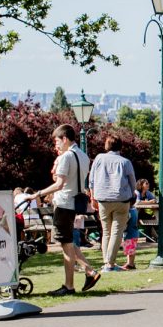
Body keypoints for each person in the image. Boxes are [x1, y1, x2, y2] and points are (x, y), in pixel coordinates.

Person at [37, 124, 100, 296]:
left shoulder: (66, 157)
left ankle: (69, 285)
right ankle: (88, 272)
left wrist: (38, 194)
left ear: (65, 139)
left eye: (57, 141)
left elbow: (60, 184)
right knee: (69, 242)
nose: (56, 145)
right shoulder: (84, 156)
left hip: (64, 203)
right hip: (75, 203)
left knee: (66, 245)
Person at [88, 134, 137, 273]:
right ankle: (110, 263)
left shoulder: (99, 159)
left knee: (106, 231)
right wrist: (131, 193)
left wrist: (92, 197)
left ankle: (106, 262)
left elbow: (91, 180)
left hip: (103, 199)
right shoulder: (125, 162)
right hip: (121, 199)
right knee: (116, 232)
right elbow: (133, 183)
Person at [125, 179, 154, 270]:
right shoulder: (134, 210)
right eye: (146, 183)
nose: (148, 185)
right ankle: (131, 263)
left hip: (130, 230)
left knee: (129, 242)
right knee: (131, 243)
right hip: (134, 229)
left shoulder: (130, 211)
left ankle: (129, 264)